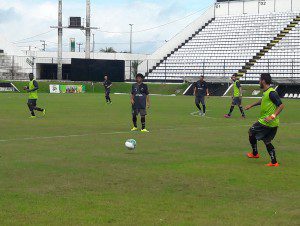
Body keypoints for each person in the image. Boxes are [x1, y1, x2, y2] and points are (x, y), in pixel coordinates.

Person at [245, 73, 284, 167]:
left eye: (259, 79)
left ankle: (255, 154)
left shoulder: (272, 92)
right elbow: (262, 100)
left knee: (251, 131)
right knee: (267, 141)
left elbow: (281, 105)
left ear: (263, 81)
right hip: (273, 123)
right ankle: (274, 162)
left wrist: (272, 116)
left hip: (266, 122)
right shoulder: (267, 92)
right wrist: (251, 105)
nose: (259, 81)